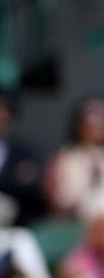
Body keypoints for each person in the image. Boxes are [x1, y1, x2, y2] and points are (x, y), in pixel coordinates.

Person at [0, 90, 47, 226]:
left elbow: (30, 190)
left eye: (3, 108)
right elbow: (17, 183)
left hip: (14, 227)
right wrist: (12, 181)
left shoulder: (24, 152)